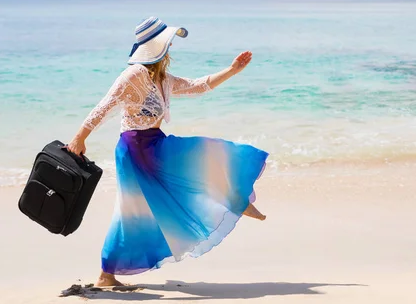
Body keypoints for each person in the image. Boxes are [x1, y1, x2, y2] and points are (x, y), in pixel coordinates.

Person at [66, 17, 268, 287]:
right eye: (167, 43)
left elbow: (198, 86)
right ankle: (106, 275)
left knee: (196, 162)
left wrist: (231, 70)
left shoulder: (161, 78)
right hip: (136, 150)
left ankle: (235, 198)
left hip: (154, 143)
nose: (170, 47)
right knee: (132, 212)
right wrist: (79, 138)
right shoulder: (134, 75)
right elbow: (105, 106)